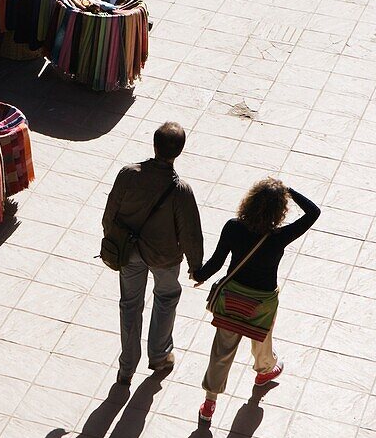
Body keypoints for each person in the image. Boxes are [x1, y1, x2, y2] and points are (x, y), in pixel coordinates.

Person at [192, 178, 320, 421]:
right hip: (263, 301)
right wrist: (288, 190)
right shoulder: (280, 236)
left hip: (233, 299)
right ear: (279, 209)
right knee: (262, 337)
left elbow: (217, 262)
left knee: (222, 350)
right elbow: (314, 212)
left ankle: (209, 404)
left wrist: (199, 275)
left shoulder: (233, 227)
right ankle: (264, 370)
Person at [102, 122, 204, 385]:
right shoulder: (181, 191)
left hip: (129, 253)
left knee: (129, 305)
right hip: (165, 258)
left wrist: (112, 241)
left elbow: (109, 214)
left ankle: (126, 368)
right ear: (180, 151)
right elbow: (190, 232)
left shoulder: (128, 174)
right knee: (166, 298)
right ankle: (159, 355)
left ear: (154, 145)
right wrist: (196, 265)